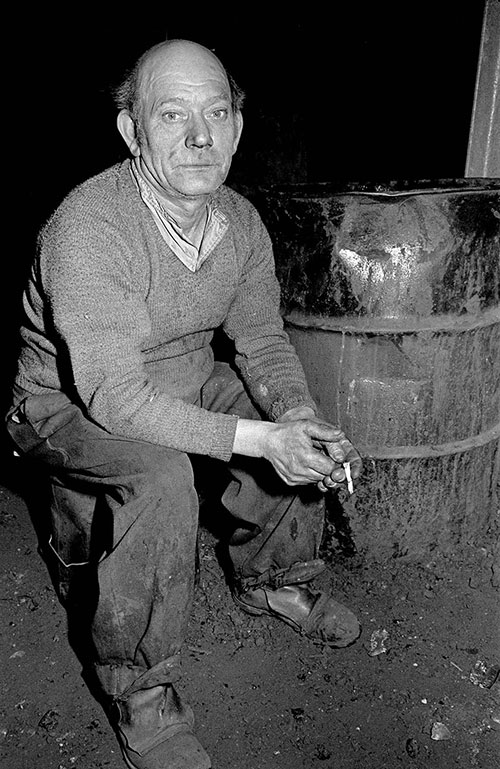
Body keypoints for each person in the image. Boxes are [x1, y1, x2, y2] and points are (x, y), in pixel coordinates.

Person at [6, 39, 362, 769]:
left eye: (216, 112)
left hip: (181, 374)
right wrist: (259, 439)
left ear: (236, 126)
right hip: (62, 400)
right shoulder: (88, 228)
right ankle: (141, 691)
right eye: (172, 115)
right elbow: (112, 393)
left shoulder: (241, 223)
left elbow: (261, 339)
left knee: (295, 418)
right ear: (133, 132)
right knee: (164, 475)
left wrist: (290, 414)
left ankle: (274, 581)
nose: (199, 135)